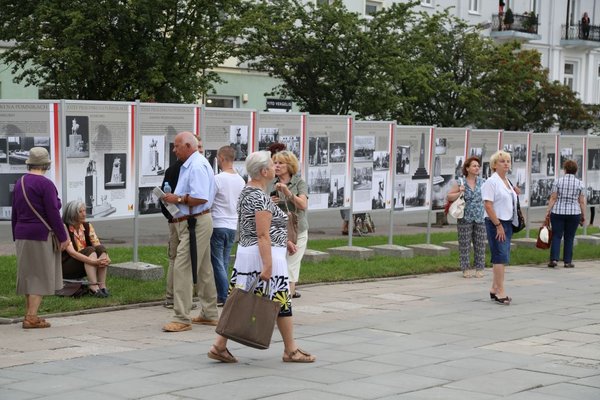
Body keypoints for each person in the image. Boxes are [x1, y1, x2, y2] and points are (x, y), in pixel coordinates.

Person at [207, 151, 315, 363]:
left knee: (241, 300)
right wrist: (267, 265)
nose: (275, 168)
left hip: (250, 254)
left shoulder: (249, 191)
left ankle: (220, 346)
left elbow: (258, 229)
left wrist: (283, 240)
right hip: (263, 256)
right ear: (263, 171)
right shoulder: (259, 197)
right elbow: (262, 234)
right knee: (279, 301)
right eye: (271, 165)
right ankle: (290, 350)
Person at [161, 132, 218, 332]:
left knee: (182, 267)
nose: (174, 150)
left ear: (187, 146)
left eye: (177, 146)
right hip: (193, 221)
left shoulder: (196, 166)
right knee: (203, 268)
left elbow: (200, 197)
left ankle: (181, 317)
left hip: (195, 222)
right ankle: (210, 313)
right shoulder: (193, 164)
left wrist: (177, 199)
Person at [11, 147, 69, 329]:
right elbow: (53, 212)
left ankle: (30, 315)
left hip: (22, 234)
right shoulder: (46, 184)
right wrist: (63, 236)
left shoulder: (19, 182)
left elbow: (15, 211)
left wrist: (16, 233)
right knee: (39, 276)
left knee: (29, 276)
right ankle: (31, 317)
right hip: (40, 234)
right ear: (46, 164)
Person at [210, 146, 245, 306]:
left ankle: (224, 296)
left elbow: (209, 201)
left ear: (222, 158)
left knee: (217, 262)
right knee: (224, 261)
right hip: (232, 225)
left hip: (218, 223)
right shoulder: (241, 180)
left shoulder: (218, 179)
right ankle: (223, 294)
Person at [271, 150, 309, 299]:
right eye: (275, 163)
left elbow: (302, 205)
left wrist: (288, 193)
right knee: (279, 265)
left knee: (291, 264)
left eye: (281, 163)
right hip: (278, 231)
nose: (277, 166)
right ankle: (286, 294)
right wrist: (270, 202)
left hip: (297, 230)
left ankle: (286, 299)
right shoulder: (271, 183)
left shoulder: (299, 182)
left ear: (290, 165)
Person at [481, 150, 516, 305]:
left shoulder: (507, 181)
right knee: (500, 256)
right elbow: (488, 205)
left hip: (507, 222)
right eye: (502, 161)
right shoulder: (491, 182)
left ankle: (495, 287)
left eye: (508, 161)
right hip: (496, 222)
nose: (506, 164)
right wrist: (498, 225)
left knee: (501, 256)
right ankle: (501, 291)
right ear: (494, 165)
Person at [445, 156, 486, 278]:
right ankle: (465, 268)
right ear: (467, 168)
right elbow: (449, 197)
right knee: (464, 244)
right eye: (474, 166)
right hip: (465, 217)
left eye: (478, 166)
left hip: (479, 216)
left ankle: (479, 268)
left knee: (480, 243)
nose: (477, 168)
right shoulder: (460, 182)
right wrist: (460, 192)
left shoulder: (483, 182)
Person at [61, 201, 111, 297]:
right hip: (67, 266)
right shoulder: (64, 228)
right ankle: (93, 286)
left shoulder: (87, 226)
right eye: (80, 212)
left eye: (84, 211)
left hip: (85, 262)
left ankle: (102, 286)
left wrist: (106, 258)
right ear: (72, 214)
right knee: (89, 250)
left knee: (101, 248)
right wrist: (94, 262)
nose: (84, 214)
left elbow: (97, 244)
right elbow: (72, 253)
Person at [545, 159, 586, 268]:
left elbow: (553, 198)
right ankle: (567, 262)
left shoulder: (557, 181)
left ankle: (554, 260)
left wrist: (548, 211)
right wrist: (583, 215)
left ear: (565, 170)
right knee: (569, 237)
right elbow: (581, 201)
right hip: (574, 213)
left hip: (558, 212)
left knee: (556, 236)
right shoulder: (580, 184)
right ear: (576, 171)